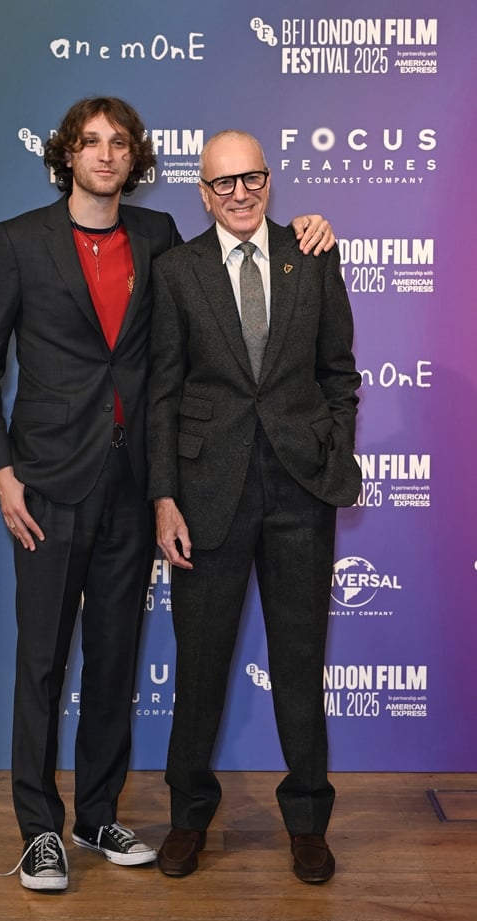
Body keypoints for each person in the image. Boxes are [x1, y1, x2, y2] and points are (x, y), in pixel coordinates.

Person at [0, 97, 336, 892]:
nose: (104, 154)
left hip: (136, 487)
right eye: (90, 142)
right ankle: (40, 831)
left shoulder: (160, 241)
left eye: (118, 142)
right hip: (50, 485)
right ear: (68, 154)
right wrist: (3, 471)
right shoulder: (20, 241)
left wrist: (314, 226)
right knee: (41, 663)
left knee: (114, 661)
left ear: (136, 160)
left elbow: (181, 359)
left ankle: (96, 814)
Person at [147, 130, 362, 884]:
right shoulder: (176, 271)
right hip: (207, 496)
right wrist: (165, 496)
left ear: (269, 180)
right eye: (223, 183)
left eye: (252, 178)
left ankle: (307, 820)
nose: (240, 193)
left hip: (300, 492)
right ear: (202, 193)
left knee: (301, 665)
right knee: (199, 667)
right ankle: (186, 818)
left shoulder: (313, 253)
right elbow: (162, 392)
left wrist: (331, 448)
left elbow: (340, 371)